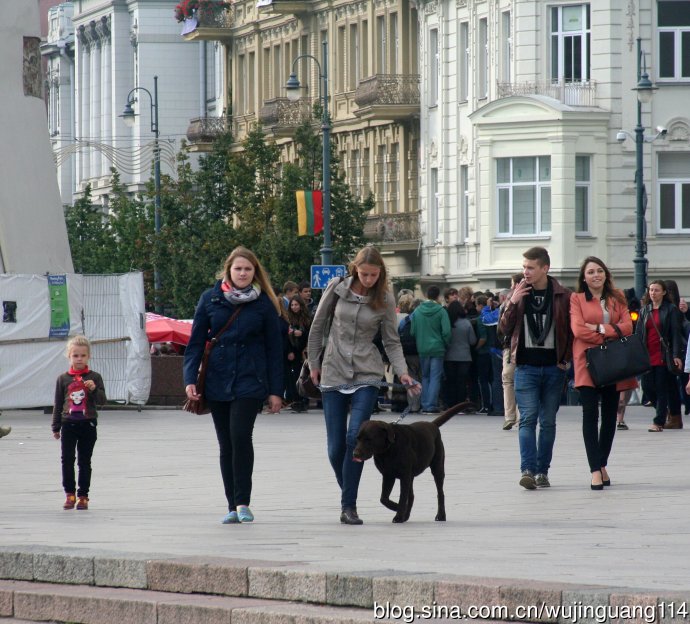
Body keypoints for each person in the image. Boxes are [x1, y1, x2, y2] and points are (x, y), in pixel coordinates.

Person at [307, 246, 420, 525]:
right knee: (335, 447)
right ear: (355, 269)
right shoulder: (336, 288)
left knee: (353, 439)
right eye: (364, 273)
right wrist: (313, 363)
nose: (369, 279)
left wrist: (403, 373)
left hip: (367, 373)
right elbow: (318, 326)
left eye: (374, 274)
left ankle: (349, 506)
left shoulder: (383, 298)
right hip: (333, 370)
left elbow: (391, 341)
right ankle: (348, 488)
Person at [184, 246, 284, 524]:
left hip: (250, 380)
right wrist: (189, 379)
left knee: (241, 436)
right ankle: (231, 504)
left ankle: (243, 502)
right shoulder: (210, 299)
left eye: (248, 269)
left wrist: (277, 391)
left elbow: (275, 351)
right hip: (217, 379)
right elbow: (193, 345)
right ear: (228, 270)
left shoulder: (265, 303)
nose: (242, 273)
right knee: (226, 443)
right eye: (238, 268)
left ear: (255, 273)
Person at [499, 247, 572, 490]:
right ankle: (527, 470)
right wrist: (512, 302)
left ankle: (543, 471)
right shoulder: (518, 293)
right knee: (528, 419)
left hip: (554, 368)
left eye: (530, 268)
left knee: (548, 422)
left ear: (545, 268)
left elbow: (572, 331)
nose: (525, 272)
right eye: (524, 267)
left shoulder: (563, 295)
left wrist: (567, 359)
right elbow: (503, 330)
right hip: (526, 368)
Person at [570, 257, 636, 490]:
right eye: (590, 272)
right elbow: (578, 330)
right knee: (590, 415)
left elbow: (628, 327)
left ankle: (602, 463)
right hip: (587, 362)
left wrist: (599, 329)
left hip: (612, 363)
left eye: (599, 271)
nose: (596, 275)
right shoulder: (576, 299)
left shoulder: (617, 297)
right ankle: (595, 470)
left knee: (610, 416)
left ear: (606, 274)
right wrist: (611, 333)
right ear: (584, 277)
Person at [51, 335, 107, 511]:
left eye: (82, 355)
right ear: (69, 356)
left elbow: (103, 401)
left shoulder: (94, 377)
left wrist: (94, 389)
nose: (79, 359)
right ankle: (69, 494)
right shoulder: (63, 379)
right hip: (68, 424)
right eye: (75, 355)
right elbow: (58, 403)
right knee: (67, 459)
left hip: (88, 424)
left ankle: (83, 496)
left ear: (88, 356)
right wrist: (56, 426)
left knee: (84, 461)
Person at [635, 280, 685, 431]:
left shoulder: (671, 310)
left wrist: (676, 355)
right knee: (647, 387)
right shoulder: (645, 310)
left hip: (663, 355)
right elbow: (638, 333)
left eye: (656, 290)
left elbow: (676, 334)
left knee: (661, 388)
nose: (653, 293)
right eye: (651, 290)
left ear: (663, 292)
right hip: (647, 355)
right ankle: (664, 411)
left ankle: (658, 422)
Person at [411, 285, 451, 414]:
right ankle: (431, 405)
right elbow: (447, 332)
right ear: (438, 296)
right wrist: (445, 343)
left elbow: (412, 331)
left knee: (425, 377)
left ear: (426, 295)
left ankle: (424, 404)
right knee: (435, 377)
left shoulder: (417, 311)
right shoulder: (441, 311)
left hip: (422, 348)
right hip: (437, 348)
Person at [500, 274, 524, 430]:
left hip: (510, 346)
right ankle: (522, 416)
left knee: (508, 381)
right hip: (526, 347)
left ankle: (509, 416)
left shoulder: (509, 302)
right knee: (523, 382)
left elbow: (500, 328)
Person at [443, 300, 476, 409]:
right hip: (464, 357)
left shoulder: (447, 323)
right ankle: (460, 404)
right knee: (461, 382)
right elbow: (472, 341)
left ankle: (450, 404)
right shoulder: (466, 323)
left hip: (449, 356)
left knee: (451, 381)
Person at [285, 294, 311, 412]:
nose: (294, 307)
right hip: (293, 352)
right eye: (292, 305)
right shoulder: (288, 319)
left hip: (304, 352)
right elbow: (284, 335)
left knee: (305, 376)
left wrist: (302, 334)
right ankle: (296, 400)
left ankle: (305, 400)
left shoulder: (307, 319)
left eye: (296, 305)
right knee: (294, 376)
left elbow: (311, 333)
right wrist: (289, 350)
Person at [474, 295, 493, 414]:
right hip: (494, 352)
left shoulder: (481, 319)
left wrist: (476, 348)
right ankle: (494, 403)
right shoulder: (493, 316)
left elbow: (483, 338)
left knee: (483, 380)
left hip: (483, 353)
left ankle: (485, 405)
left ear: (480, 306)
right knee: (493, 380)